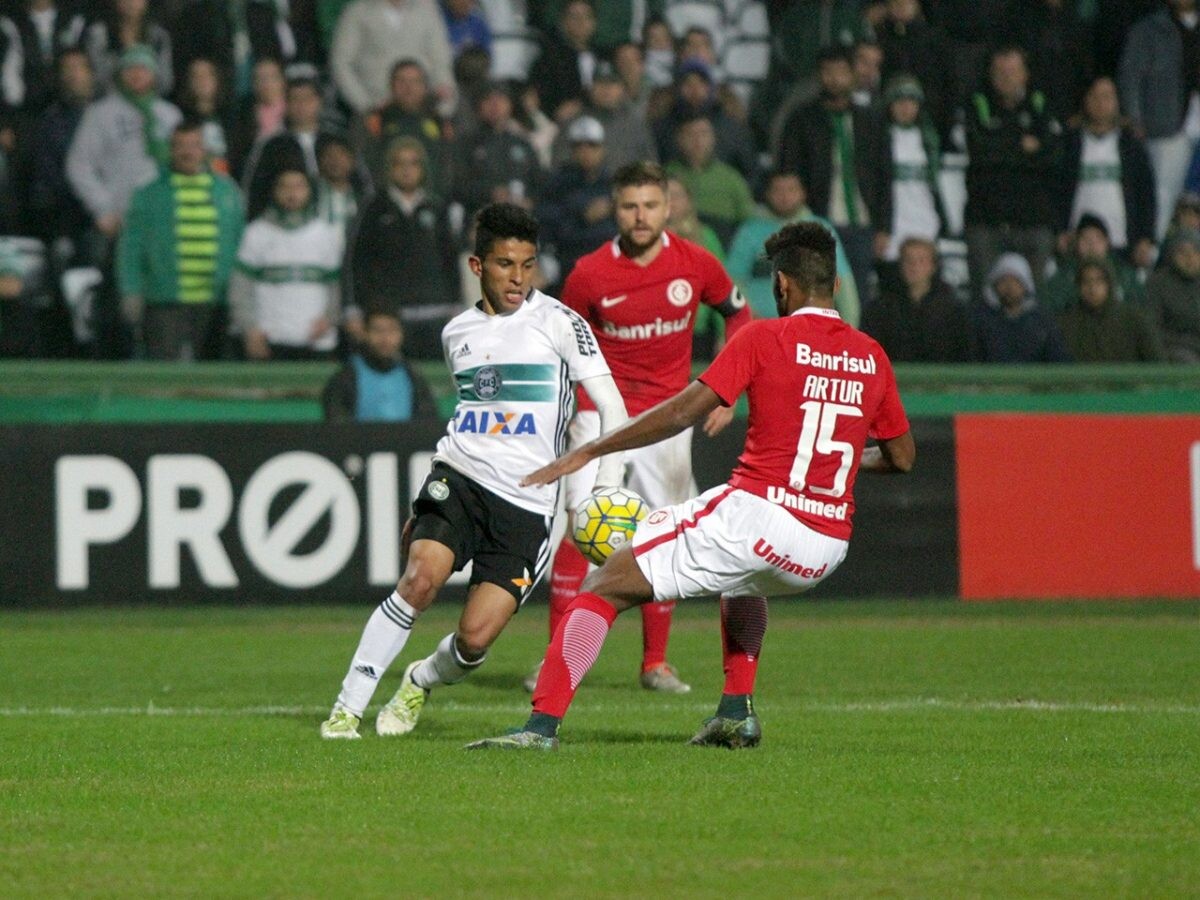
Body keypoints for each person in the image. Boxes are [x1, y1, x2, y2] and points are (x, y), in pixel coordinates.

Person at [467, 221, 915, 751]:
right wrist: (825, 467)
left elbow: (682, 412)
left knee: (603, 586)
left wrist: (593, 448)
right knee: (742, 584)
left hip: (757, 517)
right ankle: (735, 712)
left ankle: (538, 727)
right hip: (824, 548)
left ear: (782, 287)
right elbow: (902, 458)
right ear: (835, 287)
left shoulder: (764, 337)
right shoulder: (871, 354)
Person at [319, 203, 629, 740]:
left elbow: (614, 407)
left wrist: (605, 489)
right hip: (460, 476)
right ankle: (347, 709)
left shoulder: (560, 322)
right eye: (506, 264)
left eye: (528, 265)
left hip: (528, 505)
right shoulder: (456, 333)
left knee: (475, 641)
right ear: (477, 266)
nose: (518, 278)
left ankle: (419, 678)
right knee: (418, 580)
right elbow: (472, 413)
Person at [526, 161, 752, 696]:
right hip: (600, 417)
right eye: (630, 205)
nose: (641, 215)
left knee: (664, 534)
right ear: (616, 208)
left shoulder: (697, 264)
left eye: (651, 204)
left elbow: (739, 316)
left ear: (668, 207)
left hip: (668, 421)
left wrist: (727, 388)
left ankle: (655, 664)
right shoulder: (588, 275)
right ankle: (555, 660)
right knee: (580, 532)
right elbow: (562, 343)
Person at [117, 119, 244, 360]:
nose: (188, 152)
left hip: (215, 300)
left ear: (204, 149)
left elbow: (241, 243)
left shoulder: (227, 191)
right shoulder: (149, 193)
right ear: (171, 149)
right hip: (165, 300)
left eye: (194, 145)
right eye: (180, 145)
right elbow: (130, 247)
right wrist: (131, 289)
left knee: (212, 377)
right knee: (163, 375)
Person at [777, 45, 892, 308]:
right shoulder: (802, 119)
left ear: (853, 74)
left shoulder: (870, 120)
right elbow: (789, 171)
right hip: (819, 221)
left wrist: (884, 227)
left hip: (862, 224)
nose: (835, 78)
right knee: (815, 295)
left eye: (841, 71)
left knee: (858, 298)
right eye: (828, 72)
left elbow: (884, 176)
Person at [963, 45, 1063, 300]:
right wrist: (1025, 147)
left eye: (1013, 71)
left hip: (1034, 219)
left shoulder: (1041, 104)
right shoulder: (978, 102)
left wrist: (1000, 142)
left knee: (1034, 300)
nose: (1007, 77)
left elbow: (1053, 154)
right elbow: (980, 151)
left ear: (1025, 74)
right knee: (984, 300)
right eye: (1000, 71)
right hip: (987, 219)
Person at [344, 137, 458, 358]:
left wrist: (456, 305)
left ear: (423, 168)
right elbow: (356, 260)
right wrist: (352, 309)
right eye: (399, 164)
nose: (407, 170)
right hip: (387, 316)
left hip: (434, 313)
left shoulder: (436, 207)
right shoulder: (373, 208)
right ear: (389, 168)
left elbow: (450, 260)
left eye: (413, 163)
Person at [230, 167, 342, 361]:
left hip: (317, 341)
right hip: (269, 340)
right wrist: (250, 329)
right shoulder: (256, 233)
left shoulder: (326, 234)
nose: (292, 193)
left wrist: (329, 318)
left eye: (299, 186)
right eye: (285, 187)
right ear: (274, 191)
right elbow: (240, 288)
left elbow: (336, 286)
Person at [726, 170, 861, 325]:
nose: (785, 197)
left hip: (811, 330)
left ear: (803, 193)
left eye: (791, 190)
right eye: (778, 190)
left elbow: (843, 284)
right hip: (758, 329)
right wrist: (748, 314)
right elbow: (733, 280)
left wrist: (850, 329)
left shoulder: (821, 229)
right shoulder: (750, 231)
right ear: (768, 194)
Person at [1059, 76, 1156, 269]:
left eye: (1107, 97)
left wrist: (1145, 237)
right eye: (1094, 96)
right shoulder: (1069, 144)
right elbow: (1057, 189)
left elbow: (1146, 193)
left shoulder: (1132, 146)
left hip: (1122, 243)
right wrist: (1059, 230)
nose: (1100, 103)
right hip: (1077, 244)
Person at [330, 0, 457, 118]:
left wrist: (444, 108)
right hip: (376, 108)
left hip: (423, 109)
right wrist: (365, 105)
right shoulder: (358, 11)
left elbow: (441, 60)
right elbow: (341, 63)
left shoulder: (427, 9)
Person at [862, 236, 972, 361]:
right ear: (900, 265)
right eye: (908, 260)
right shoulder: (880, 308)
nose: (914, 267)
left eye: (921, 261)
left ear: (933, 266)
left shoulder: (953, 310)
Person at [322, 308, 437, 421]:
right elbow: (337, 426)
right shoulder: (345, 378)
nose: (385, 338)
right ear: (365, 333)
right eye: (378, 330)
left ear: (401, 334)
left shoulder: (413, 377)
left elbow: (427, 421)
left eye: (392, 330)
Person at [1058, 260, 1165, 362]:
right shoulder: (1067, 323)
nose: (1092, 288)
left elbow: (1156, 362)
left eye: (1099, 281)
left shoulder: (1133, 319)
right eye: (1086, 282)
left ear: (1109, 284)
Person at [973, 252, 1070, 362]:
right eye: (1003, 281)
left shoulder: (1042, 321)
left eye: (1015, 281)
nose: (1009, 287)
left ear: (1025, 285)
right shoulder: (981, 321)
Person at [1145, 228, 1200, 362]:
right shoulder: (1158, 283)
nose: (1190, 258)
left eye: (1195, 252)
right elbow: (1153, 327)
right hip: (1174, 349)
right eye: (1183, 252)